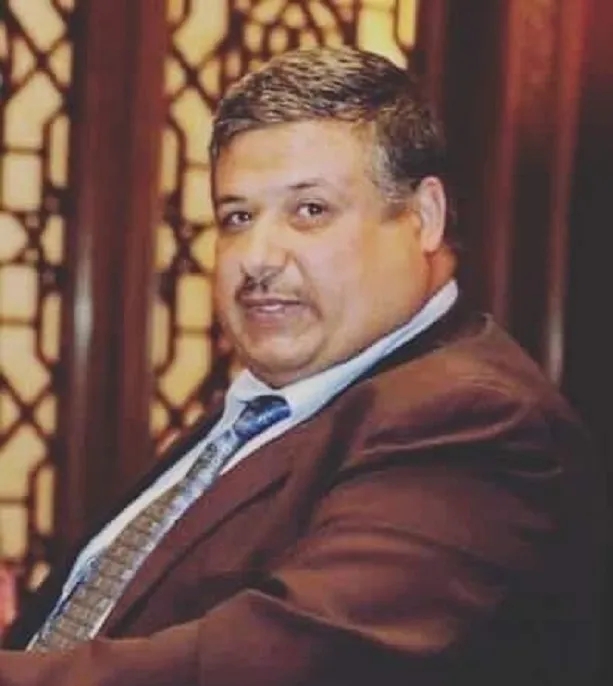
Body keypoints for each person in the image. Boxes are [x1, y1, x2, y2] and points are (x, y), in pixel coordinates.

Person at [0, 46, 607, 685]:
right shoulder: (273, 405)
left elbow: (279, 662)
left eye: (310, 211)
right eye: (237, 217)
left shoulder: (475, 419)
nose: (257, 257)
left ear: (423, 217)